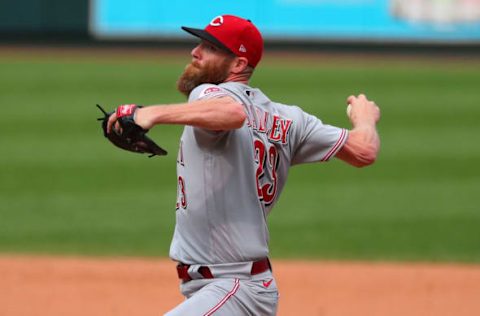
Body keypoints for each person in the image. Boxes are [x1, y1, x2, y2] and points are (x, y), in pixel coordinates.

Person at [107, 14, 380, 316]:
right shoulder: (290, 119)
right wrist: (365, 121)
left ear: (237, 65)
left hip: (235, 287)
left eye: (210, 47)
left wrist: (150, 115)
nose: (195, 52)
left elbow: (232, 114)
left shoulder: (210, 93)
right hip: (233, 288)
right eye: (200, 43)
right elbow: (363, 149)